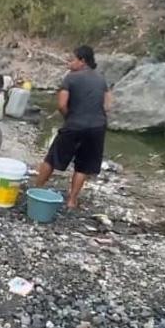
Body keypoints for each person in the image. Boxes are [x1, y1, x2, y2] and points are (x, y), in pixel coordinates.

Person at [34, 45, 111, 209]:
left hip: (75, 125)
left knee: (52, 158)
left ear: (82, 61)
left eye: (72, 59)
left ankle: (36, 189)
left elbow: (61, 104)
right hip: (97, 128)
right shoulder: (101, 79)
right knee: (83, 165)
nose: (69, 63)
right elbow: (108, 106)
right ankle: (72, 200)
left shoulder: (71, 78)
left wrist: (70, 117)